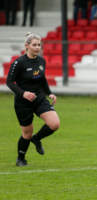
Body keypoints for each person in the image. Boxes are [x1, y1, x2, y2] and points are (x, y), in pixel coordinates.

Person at [6, 32, 60, 166]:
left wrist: (50, 93)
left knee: (54, 124)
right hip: (23, 103)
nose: (37, 47)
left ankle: (37, 139)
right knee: (26, 134)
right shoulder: (18, 62)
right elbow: (9, 82)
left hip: (39, 99)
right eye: (34, 45)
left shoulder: (41, 61)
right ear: (27, 46)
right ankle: (21, 159)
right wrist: (23, 93)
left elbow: (42, 79)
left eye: (39, 45)